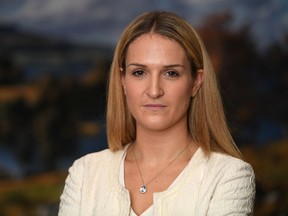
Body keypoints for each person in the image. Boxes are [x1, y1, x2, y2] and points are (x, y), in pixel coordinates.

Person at [59, 11, 255, 216]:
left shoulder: (229, 177)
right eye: (139, 72)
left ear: (196, 82)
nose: (154, 91)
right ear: (123, 80)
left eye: (171, 73)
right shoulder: (85, 173)